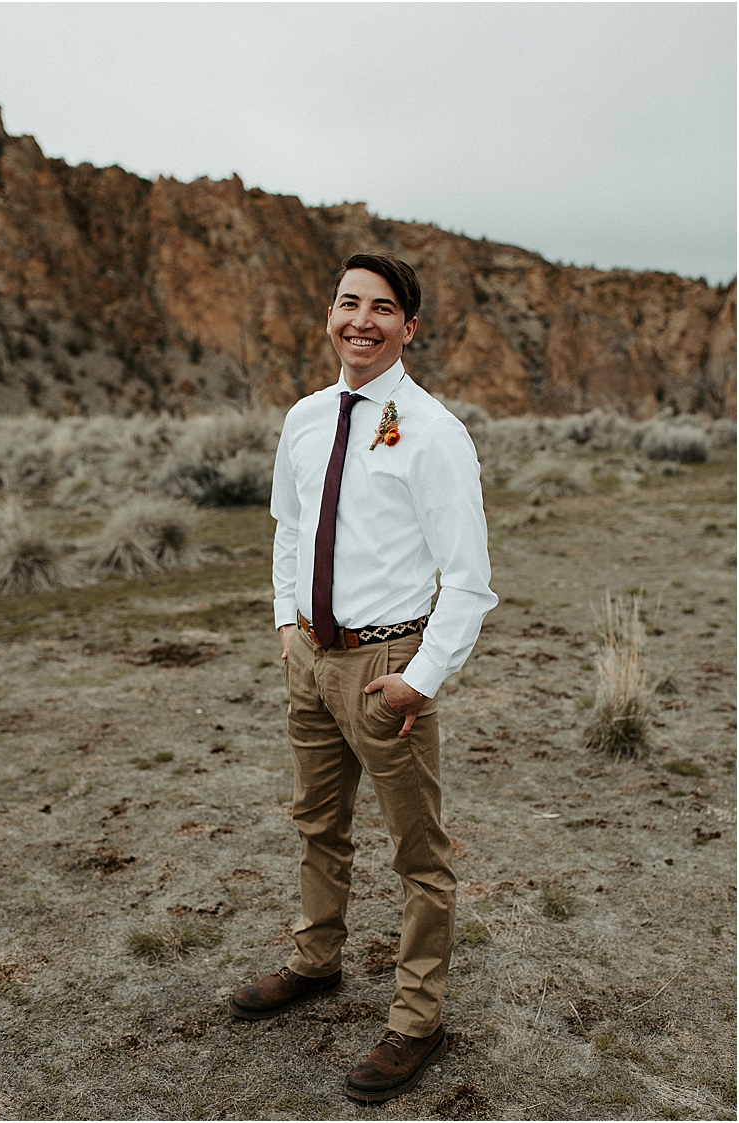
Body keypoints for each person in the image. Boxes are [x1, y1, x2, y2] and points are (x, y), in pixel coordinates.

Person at [228, 252, 496, 1104]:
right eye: (349, 303)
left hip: (388, 669)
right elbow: (287, 528)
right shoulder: (305, 418)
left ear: (408, 327)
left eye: (383, 308)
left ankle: (418, 1018)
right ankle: (315, 962)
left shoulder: (434, 433)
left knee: (419, 852)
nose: (362, 320)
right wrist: (283, 624)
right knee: (317, 822)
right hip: (308, 659)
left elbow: (470, 578)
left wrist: (420, 678)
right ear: (331, 313)